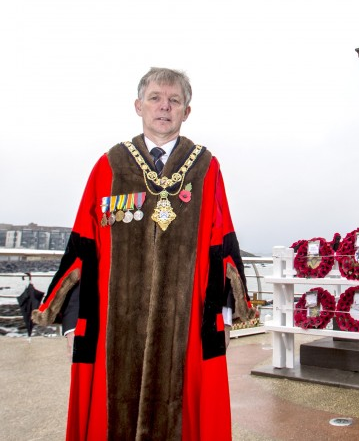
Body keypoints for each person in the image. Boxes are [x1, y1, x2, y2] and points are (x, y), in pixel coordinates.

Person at [33, 67, 256, 441]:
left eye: (174, 100)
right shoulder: (110, 165)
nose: (164, 107)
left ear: (187, 111)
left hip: (186, 326)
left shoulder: (205, 168)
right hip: (113, 326)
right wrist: (73, 320)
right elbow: (83, 247)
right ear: (139, 106)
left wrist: (226, 317)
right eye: (155, 98)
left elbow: (222, 245)